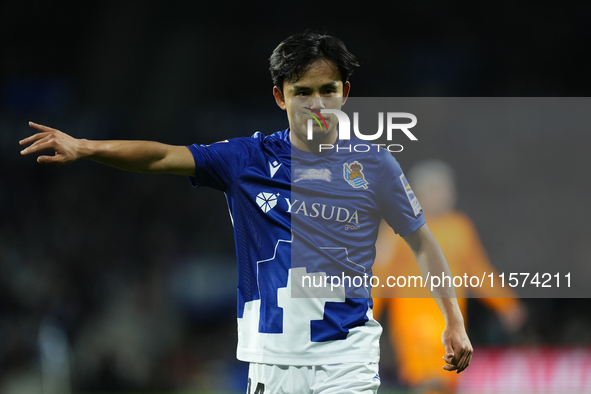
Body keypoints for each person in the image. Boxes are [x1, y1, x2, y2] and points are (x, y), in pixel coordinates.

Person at [19, 31, 472, 393]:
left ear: (345, 92)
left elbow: (422, 242)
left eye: (327, 90)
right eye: (303, 92)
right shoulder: (246, 159)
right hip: (270, 361)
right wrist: (85, 146)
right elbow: (160, 156)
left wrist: (453, 320)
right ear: (280, 96)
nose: (317, 105)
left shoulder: (375, 165)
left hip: (347, 358)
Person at [373, 160, 526, 394]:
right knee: (429, 380)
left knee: (448, 381)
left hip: (452, 324)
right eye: (437, 190)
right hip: (415, 326)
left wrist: (507, 304)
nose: (444, 196)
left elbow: (479, 272)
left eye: (446, 190)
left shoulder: (460, 228)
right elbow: (378, 278)